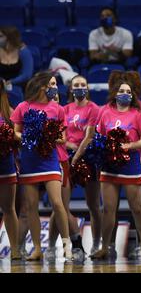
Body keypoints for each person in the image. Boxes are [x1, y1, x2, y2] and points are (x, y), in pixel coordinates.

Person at [10, 72, 72, 261]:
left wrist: (47, 137)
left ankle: (66, 245)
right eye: (51, 84)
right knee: (30, 207)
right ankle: (37, 248)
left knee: (57, 203)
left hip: (50, 160)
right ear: (42, 86)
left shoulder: (58, 109)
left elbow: (63, 138)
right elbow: (15, 133)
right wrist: (30, 138)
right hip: (29, 162)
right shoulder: (23, 106)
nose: (55, 87)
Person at [90, 79, 141, 259]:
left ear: (132, 95)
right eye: (121, 90)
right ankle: (105, 247)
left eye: (128, 91)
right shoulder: (105, 113)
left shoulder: (138, 114)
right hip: (109, 166)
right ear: (115, 93)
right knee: (109, 209)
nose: (124, 93)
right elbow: (99, 138)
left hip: (131, 165)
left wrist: (129, 146)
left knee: (137, 207)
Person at [46, 75, 102, 259]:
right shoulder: (64, 109)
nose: (79, 88)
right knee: (60, 204)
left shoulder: (94, 108)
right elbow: (61, 137)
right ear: (70, 89)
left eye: (83, 85)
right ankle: (52, 246)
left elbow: (89, 136)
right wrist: (69, 149)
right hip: (65, 159)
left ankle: (96, 244)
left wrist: (76, 156)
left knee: (93, 204)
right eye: (76, 85)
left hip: (88, 158)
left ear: (87, 88)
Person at [0, 79, 20, 260]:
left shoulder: (9, 111)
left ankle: (15, 249)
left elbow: (19, 135)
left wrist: (13, 135)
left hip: (5, 165)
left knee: (8, 208)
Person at [0, 26, 34, 92]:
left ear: (9, 38)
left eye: (1, 36)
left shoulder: (24, 52)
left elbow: (27, 75)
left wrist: (11, 82)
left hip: (19, 87)